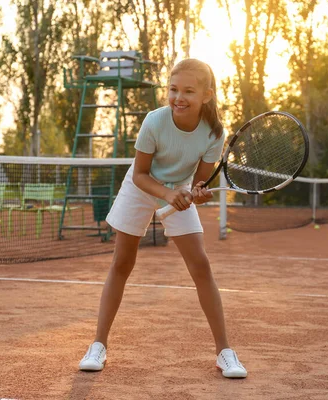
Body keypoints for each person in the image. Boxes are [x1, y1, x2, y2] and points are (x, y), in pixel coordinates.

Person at [78, 58, 247, 379]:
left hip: (178, 188)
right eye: (173, 89)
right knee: (122, 263)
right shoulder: (155, 122)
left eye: (188, 91)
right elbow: (140, 174)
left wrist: (196, 192)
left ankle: (225, 352)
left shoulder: (214, 132)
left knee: (201, 265)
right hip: (141, 187)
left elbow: (200, 181)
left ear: (206, 96)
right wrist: (168, 195)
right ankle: (98, 345)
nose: (178, 97)